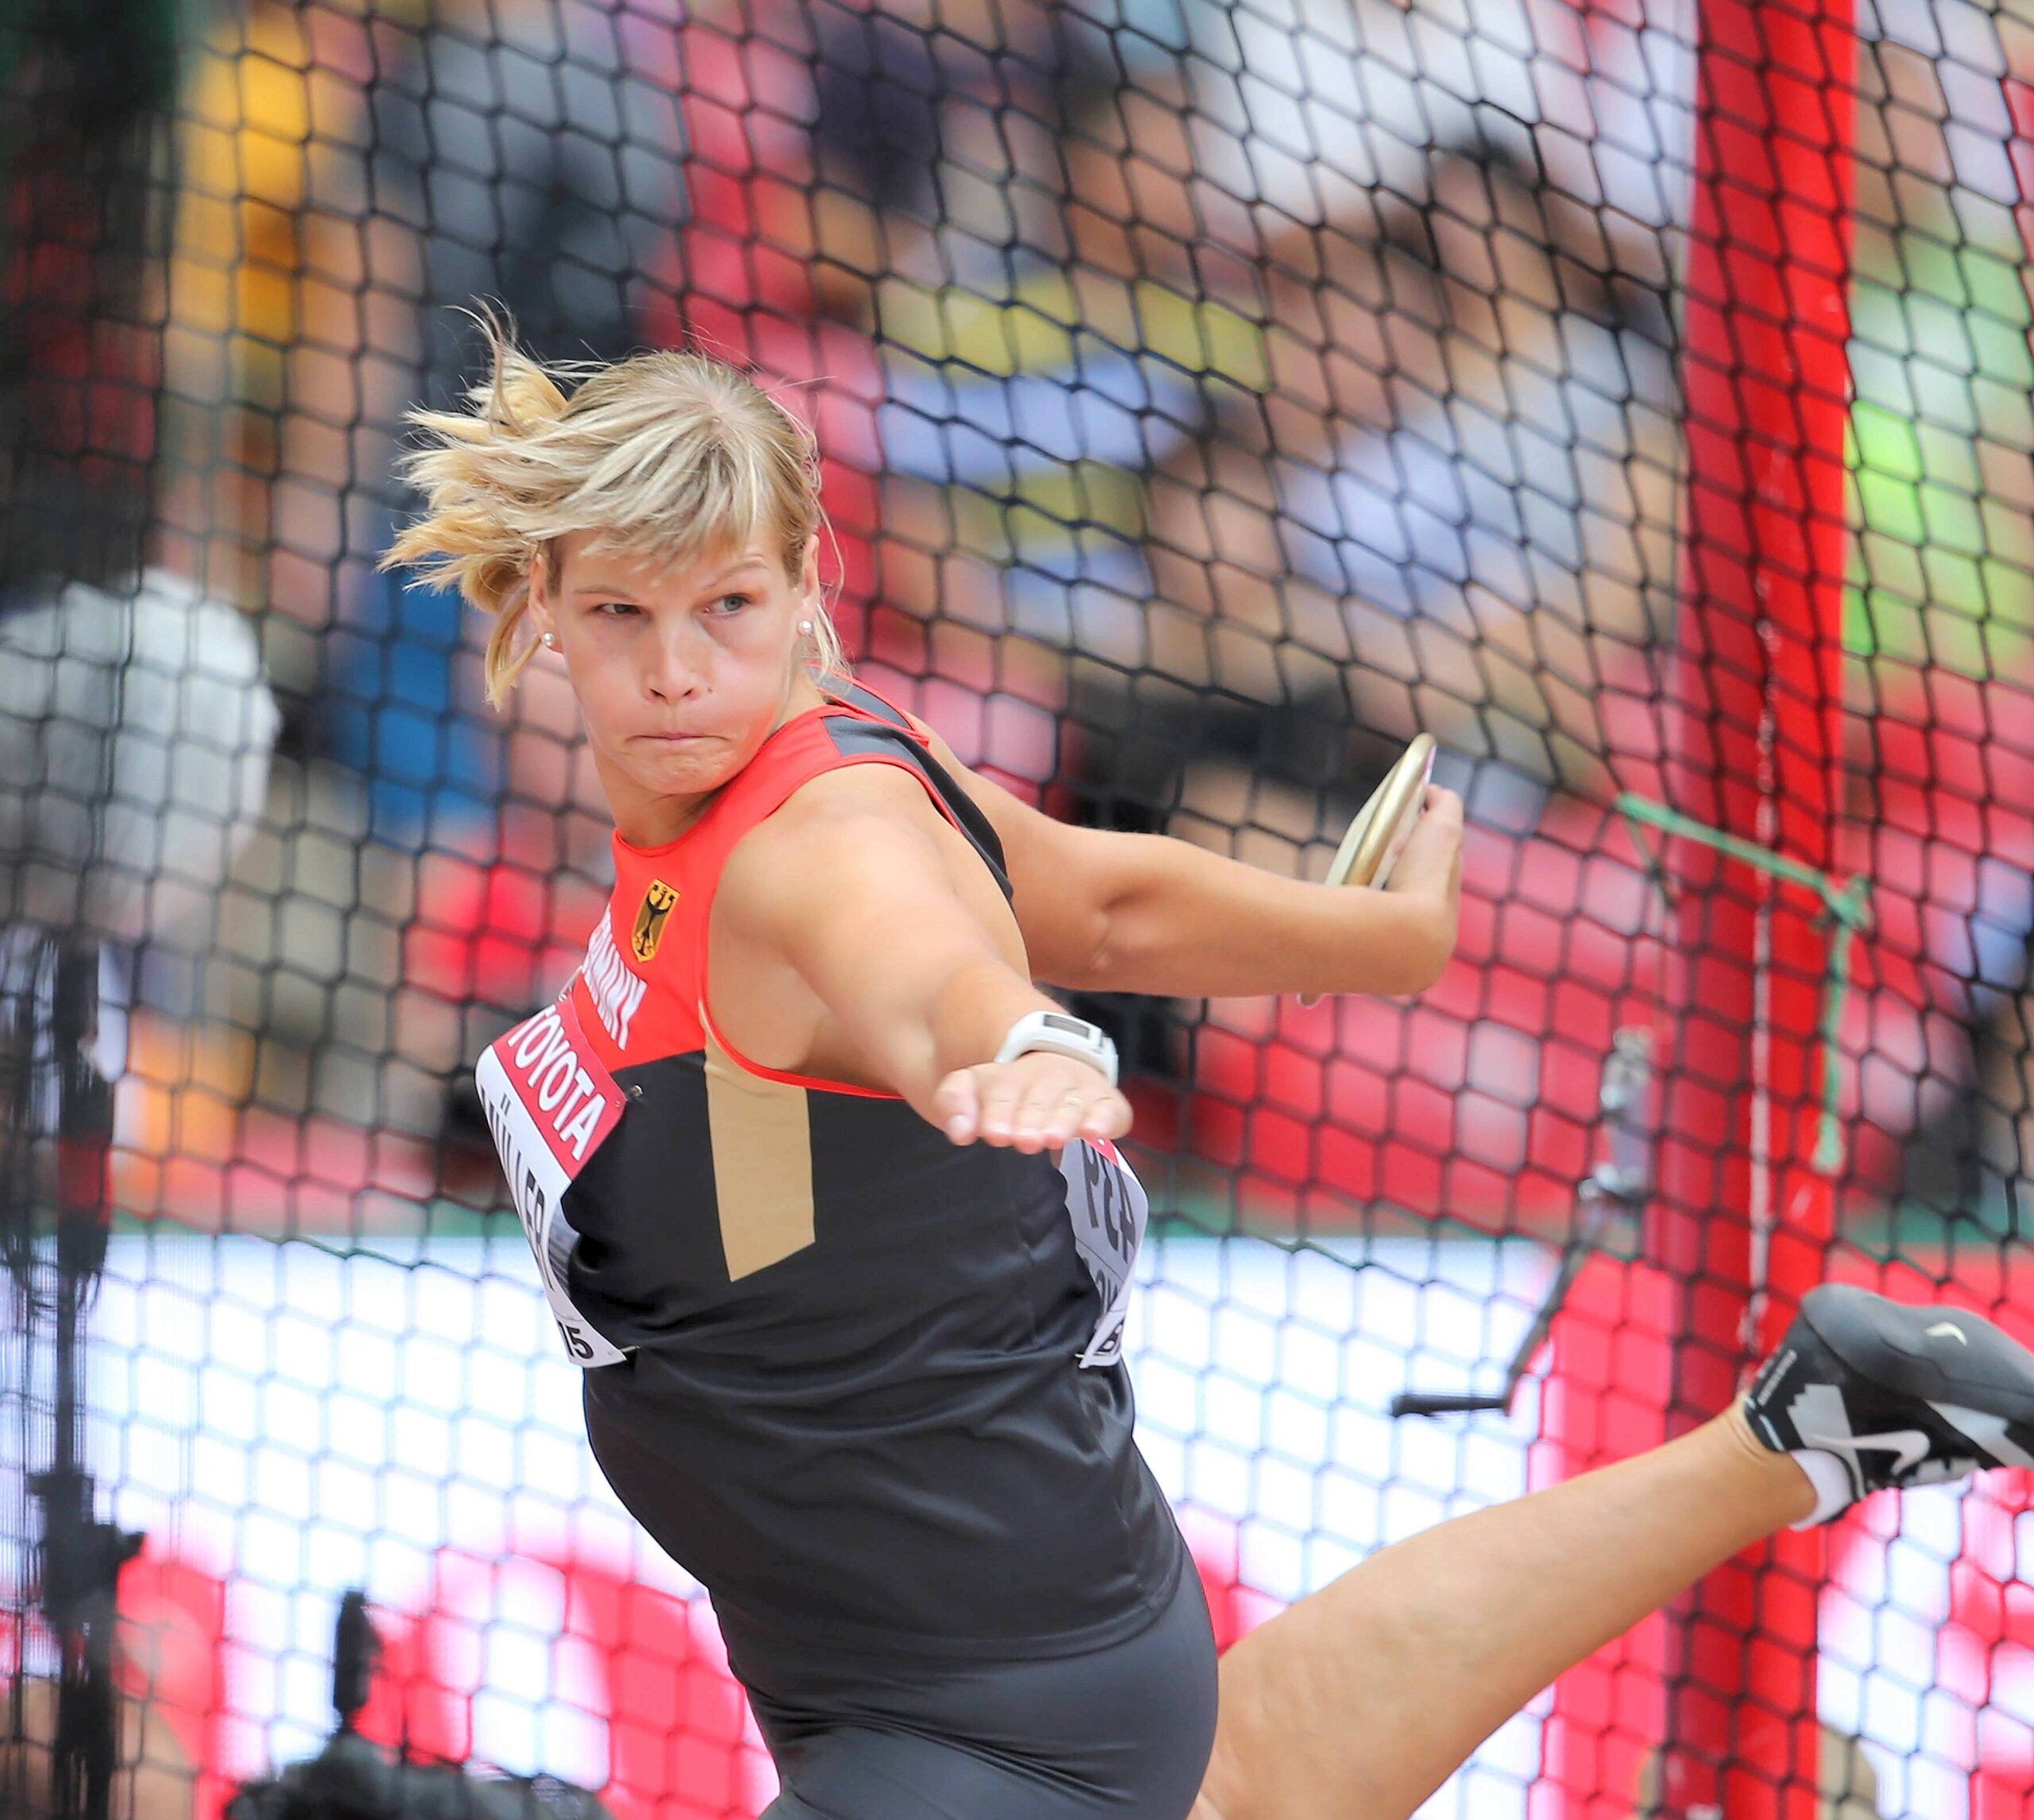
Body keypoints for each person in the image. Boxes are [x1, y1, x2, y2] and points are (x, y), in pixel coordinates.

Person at [386, 328, 2034, 1820]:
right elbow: (1091, 892)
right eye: (622, 613)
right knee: (1246, 1788)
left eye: (726, 608)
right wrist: (1371, 938)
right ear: (537, 613)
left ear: (804, 587)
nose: (679, 667)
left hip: (979, 1697)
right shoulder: (823, 757)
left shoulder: (803, 845)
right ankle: (1802, 1433)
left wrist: (1009, 1043)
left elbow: (916, 972)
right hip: (976, 1628)